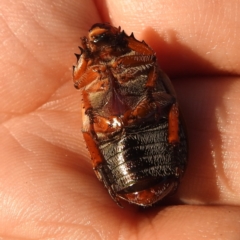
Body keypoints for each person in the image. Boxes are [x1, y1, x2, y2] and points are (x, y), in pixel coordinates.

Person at [1, 0, 240, 238]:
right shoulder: (133, 62)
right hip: (143, 140)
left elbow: (154, 80)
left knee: (104, 127)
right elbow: (88, 100)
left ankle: (145, 163)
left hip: (138, 141)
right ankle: (139, 164)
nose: (102, 45)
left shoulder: (133, 63)